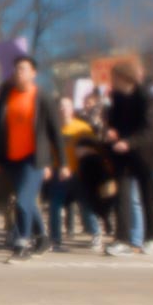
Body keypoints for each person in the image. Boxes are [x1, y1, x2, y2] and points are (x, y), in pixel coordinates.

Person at [0, 57, 62, 264]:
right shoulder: (6, 96)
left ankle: (22, 244)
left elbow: (55, 132)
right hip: (11, 159)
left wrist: (60, 163)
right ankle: (43, 239)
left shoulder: (42, 97)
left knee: (22, 201)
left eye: (23, 68)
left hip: (34, 160)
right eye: (16, 68)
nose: (18, 72)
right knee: (26, 201)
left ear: (33, 73)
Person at [104, 61, 153, 256]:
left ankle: (152, 237)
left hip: (144, 154)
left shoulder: (146, 97)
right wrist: (110, 131)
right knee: (121, 197)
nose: (112, 81)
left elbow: (150, 129)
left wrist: (129, 142)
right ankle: (122, 239)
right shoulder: (116, 98)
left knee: (147, 197)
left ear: (124, 77)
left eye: (114, 77)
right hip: (122, 154)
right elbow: (113, 122)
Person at [48, 97, 97, 252]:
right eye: (61, 106)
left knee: (86, 205)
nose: (63, 109)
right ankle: (55, 239)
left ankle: (95, 233)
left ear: (72, 109)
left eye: (67, 106)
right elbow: (48, 151)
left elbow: (93, 148)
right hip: (59, 173)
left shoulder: (82, 128)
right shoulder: (54, 129)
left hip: (79, 173)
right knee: (55, 206)